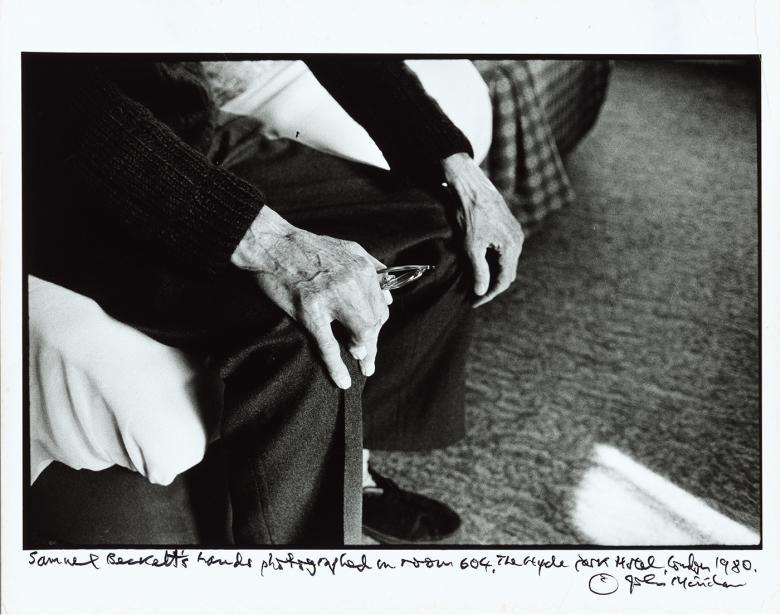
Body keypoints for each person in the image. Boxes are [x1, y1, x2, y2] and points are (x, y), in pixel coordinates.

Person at [24, 55, 523, 545]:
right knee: (301, 327)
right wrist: (269, 243)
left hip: (189, 137)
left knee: (440, 234)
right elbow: (52, 96)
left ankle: (350, 472)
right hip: (62, 182)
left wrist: (454, 165)